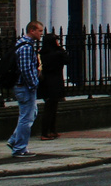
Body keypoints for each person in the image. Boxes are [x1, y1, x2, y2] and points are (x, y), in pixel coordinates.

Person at [8, 21, 42, 157]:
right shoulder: (26, 47)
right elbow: (26, 69)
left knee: (32, 113)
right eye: (40, 31)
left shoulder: (23, 43)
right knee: (26, 119)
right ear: (32, 30)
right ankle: (19, 148)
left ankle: (14, 140)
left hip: (23, 86)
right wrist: (34, 84)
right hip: (24, 87)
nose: (41, 34)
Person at [35, 32, 68, 140]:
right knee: (51, 108)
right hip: (55, 82)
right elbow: (67, 60)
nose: (58, 42)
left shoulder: (42, 53)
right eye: (56, 41)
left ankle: (52, 130)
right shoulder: (57, 53)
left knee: (51, 106)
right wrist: (61, 49)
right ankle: (45, 133)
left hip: (45, 82)